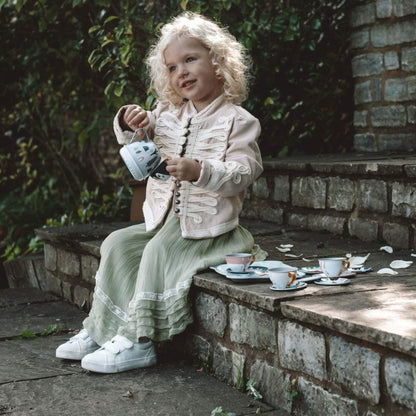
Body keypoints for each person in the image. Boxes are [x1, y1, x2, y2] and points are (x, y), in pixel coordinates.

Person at [56, 11, 266, 374]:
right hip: (165, 222)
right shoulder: (168, 113)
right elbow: (140, 131)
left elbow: (244, 173)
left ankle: (139, 341)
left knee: (157, 251)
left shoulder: (239, 120)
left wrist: (199, 170)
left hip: (210, 231)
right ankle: (103, 329)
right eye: (171, 67)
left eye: (190, 60)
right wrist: (130, 120)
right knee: (117, 244)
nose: (180, 72)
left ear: (218, 63)